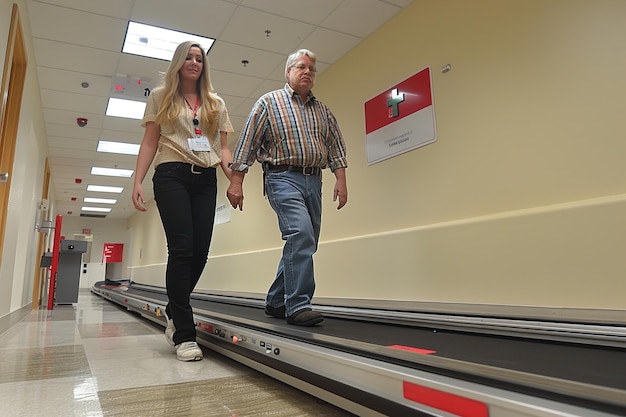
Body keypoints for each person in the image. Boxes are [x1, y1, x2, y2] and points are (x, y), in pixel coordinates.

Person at [226, 49, 348, 327]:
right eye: (302, 67)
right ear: (289, 72)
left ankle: (276, 299)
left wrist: (341, 180)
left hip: (314, 179)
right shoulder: (269, 103)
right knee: (300, 233)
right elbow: (247, 143)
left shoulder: (323, 111)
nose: (308, 72)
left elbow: (336, 147)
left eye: (312, 69)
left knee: (306, 241)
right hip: (282, 178)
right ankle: (298, 304)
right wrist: (236, 181)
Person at [132, 41, 234, 361]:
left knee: (200, 253)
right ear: (178, 62)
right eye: (188, 58)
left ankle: (173, 308)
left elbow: (224, 149)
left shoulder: (215, 103)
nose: (194, 63)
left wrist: (237, 181)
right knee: (182, 248)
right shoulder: (161, 96)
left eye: (199, 59)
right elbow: (150, 142)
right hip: (171, 174)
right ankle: (184, 335)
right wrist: (137, 180)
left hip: (205, 178)